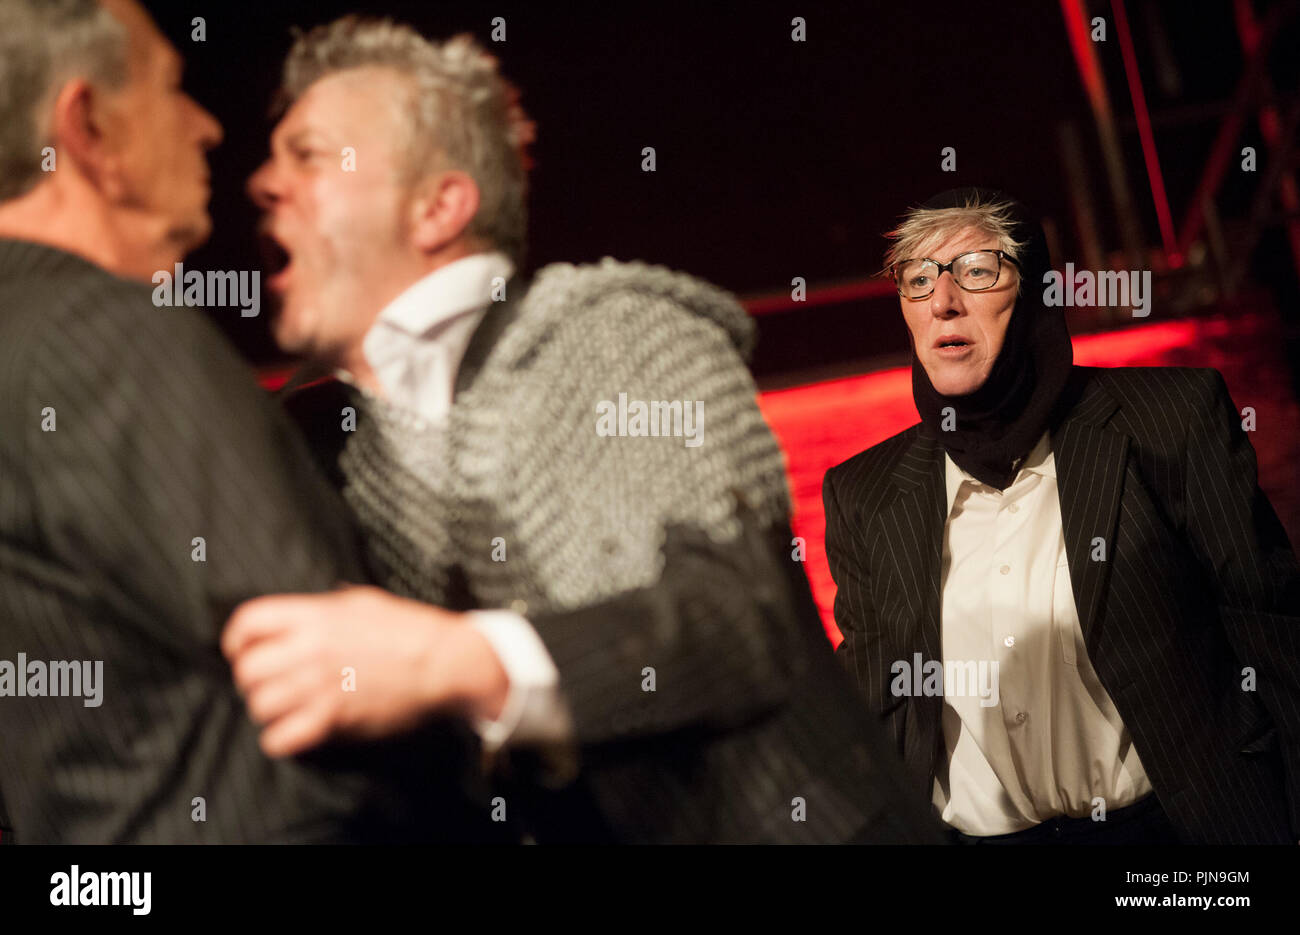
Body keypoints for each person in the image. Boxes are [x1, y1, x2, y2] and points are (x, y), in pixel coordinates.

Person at [222, 15, 940, 844]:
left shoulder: (616, 332)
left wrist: (455, 661)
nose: (264, 184)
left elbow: (741, 619)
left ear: (439, 206)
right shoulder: (308, 438)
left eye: (308, 155)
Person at [0, 0, 490, 843]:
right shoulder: (110, 339)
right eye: (171, 87)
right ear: (89, 130)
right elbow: (347, 682)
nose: (208, 127)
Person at [822, 186, 1300, 844]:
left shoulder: (1167, 421)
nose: (942, 301)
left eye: (976, 271)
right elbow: (876, 711)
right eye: (918, 278)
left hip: (1168, 839)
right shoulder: (866, 494)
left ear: (1035, 291)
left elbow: (1276, 641)